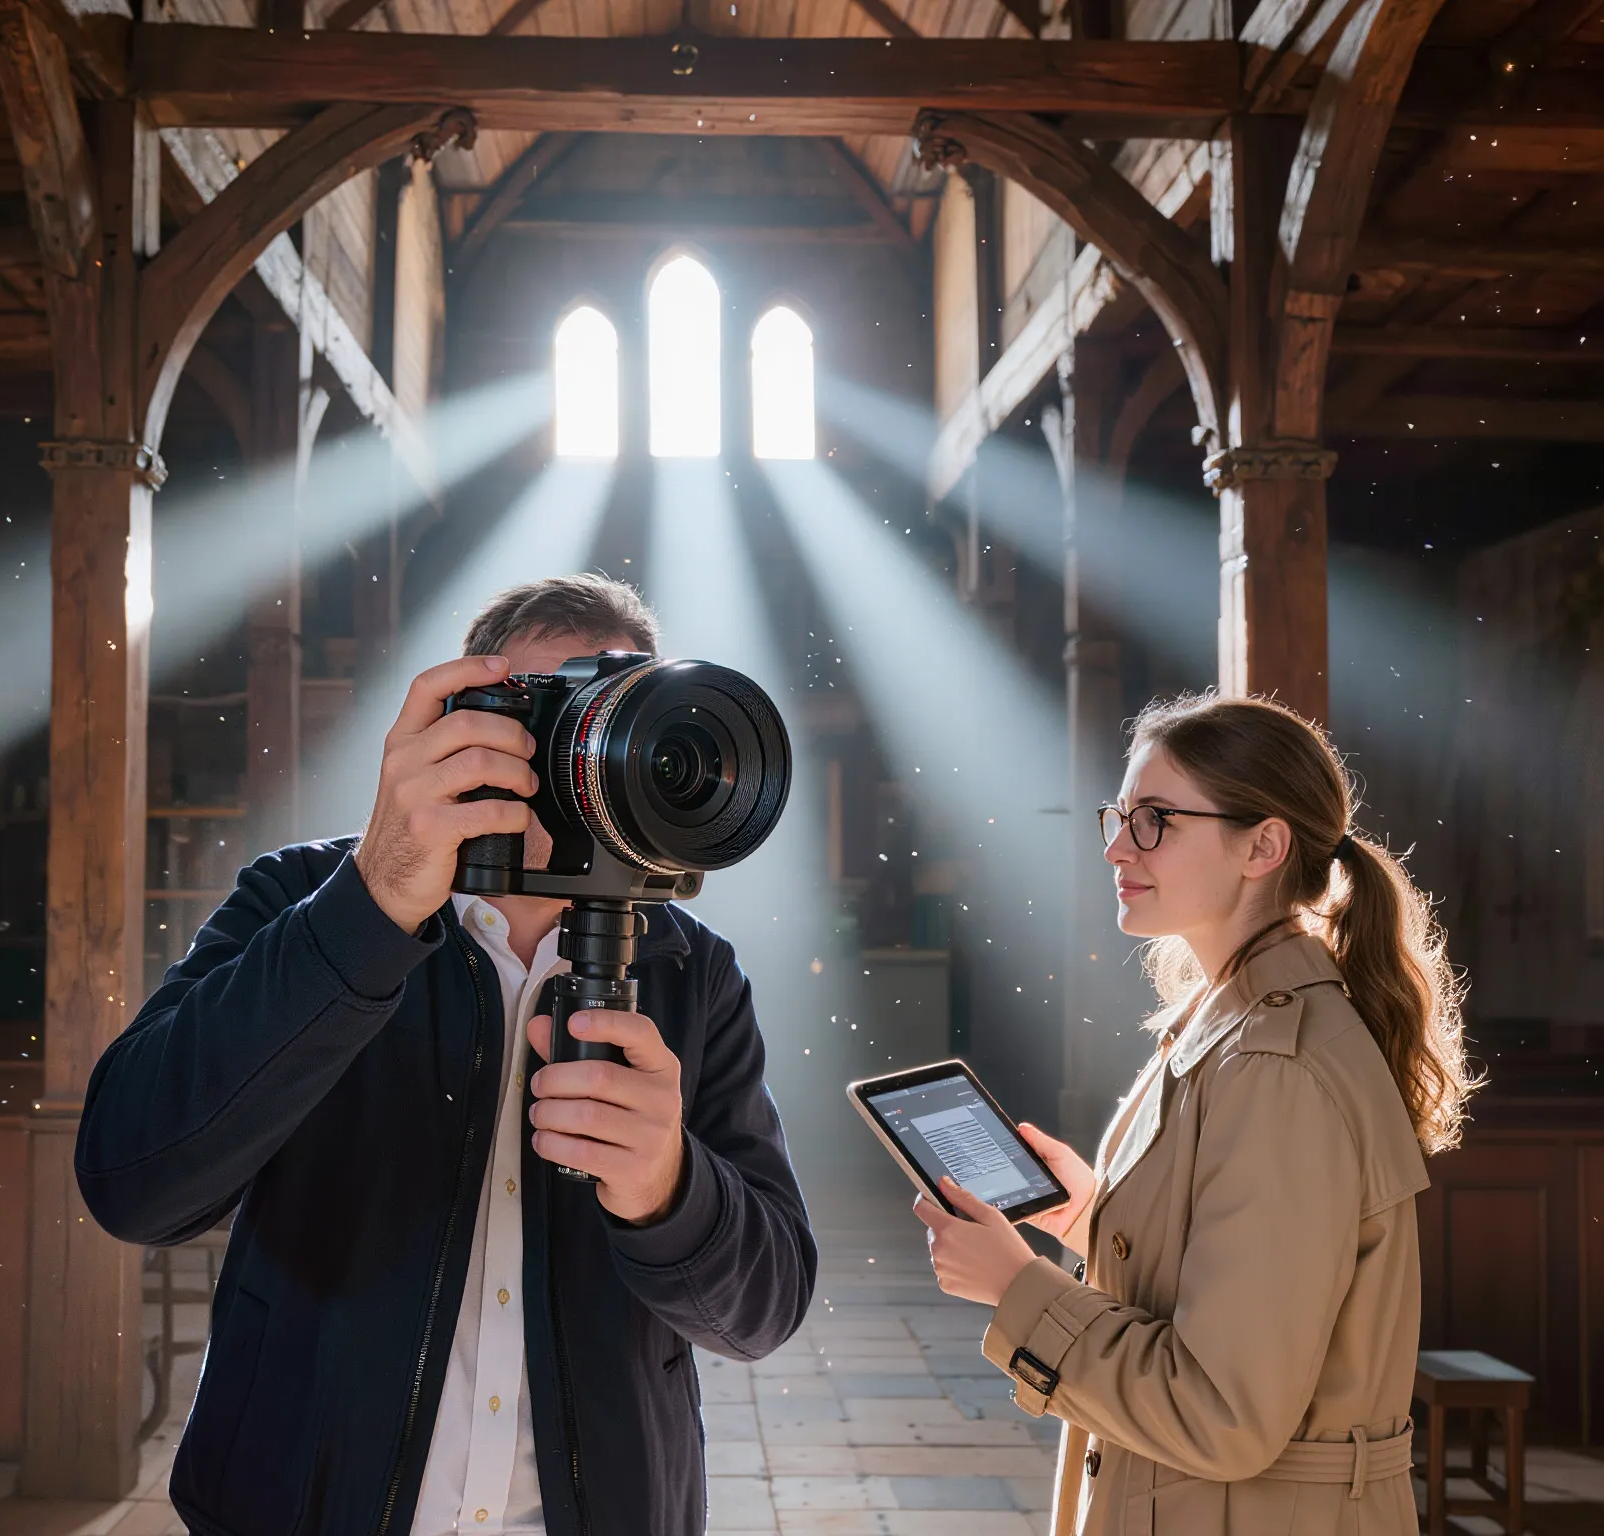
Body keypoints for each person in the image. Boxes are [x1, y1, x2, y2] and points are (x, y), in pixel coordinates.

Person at [75, 574, 816, 1536]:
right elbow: (132, 1182)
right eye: (556, 718)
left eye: (624, 719)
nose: (594, 760)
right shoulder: (306, 899)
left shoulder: (691, 970)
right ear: (464, 728)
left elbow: (766, 1311)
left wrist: (670, 1191)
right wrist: (373, 905)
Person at [911, 693, 1473, 1536]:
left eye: (1155, 821)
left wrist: (1015, 1287)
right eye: (1120, 817)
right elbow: (1243, 1286)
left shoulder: (1277, 1070)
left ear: (1263, 847)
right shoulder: (1235, 1024)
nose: (1116, 846)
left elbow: (1222, 1413)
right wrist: (1094, 1220)